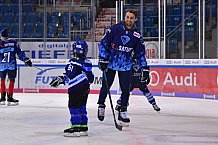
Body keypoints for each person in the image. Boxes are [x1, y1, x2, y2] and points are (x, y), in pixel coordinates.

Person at [97, 9, 150, 125]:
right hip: (110, 63)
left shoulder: (137, 36)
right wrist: (103, 58)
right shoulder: (115, 29)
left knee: (126, 89)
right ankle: (101, 105)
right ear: (124, 17)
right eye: (127, 17)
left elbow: (140, 54)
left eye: (131, 18)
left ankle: (123, 111)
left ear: (135, 19)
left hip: (126, 65)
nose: (128, 20)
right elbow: (103, 43)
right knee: (105, 86)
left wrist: (144, 68)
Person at [50, 39, 94, 137]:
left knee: (73, 106)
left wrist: (61, 79)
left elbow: (69, 74)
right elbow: (91, 78)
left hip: (76, 88)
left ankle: (76, 128)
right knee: (82, 106)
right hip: (86, 88)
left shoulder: (73, 61)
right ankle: (83, 127)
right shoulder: (88, 62)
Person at [0, 28, 32, 106]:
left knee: (2, 80)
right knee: (12, 80)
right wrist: (25, 59)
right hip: (11, 64)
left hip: (2, 65)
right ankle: (10, 98)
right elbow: (20, 52)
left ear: (1, 36)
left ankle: (2, 98)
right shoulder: (13, 42)